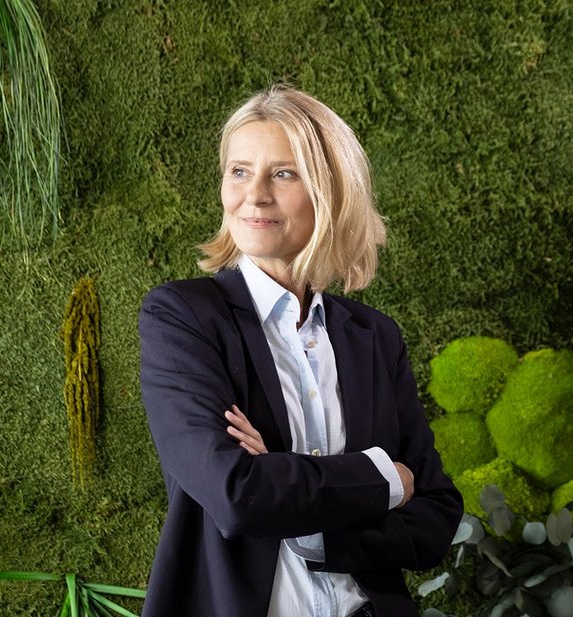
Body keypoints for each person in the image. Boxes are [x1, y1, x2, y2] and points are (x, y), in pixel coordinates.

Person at [136, 85, 463, 617]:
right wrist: (384, 478)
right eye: (239, 171)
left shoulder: (375, 337)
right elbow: (237, 494)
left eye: (284, 174)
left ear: (331, 192)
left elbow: (436, 515)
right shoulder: (183, 317)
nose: (255, 195)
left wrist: (303, 511)